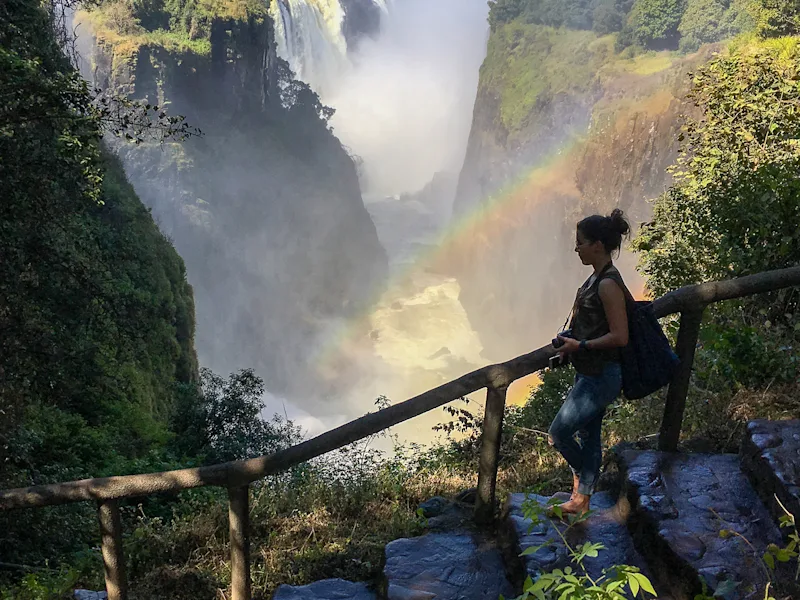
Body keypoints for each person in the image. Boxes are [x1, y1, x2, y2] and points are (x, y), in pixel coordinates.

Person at [547, 208, 631, 516]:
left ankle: (586, 485)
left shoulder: (607, 284)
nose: (576, 248)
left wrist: (580, 344)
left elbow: (620, 336)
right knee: (589, 436)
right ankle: (581, 500)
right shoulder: (596, 278)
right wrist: (570, 341)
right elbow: (595, 325)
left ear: (597, 244)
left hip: (602, 376)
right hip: (590, 372)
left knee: (558, 434)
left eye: (580, 242)